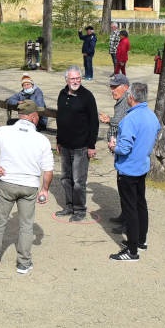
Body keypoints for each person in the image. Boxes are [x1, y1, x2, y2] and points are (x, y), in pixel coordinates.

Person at [0, 99, 55, 275]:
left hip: (7, 182)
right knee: (26, 226)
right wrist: (45, 189)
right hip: (30, 186)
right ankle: (23, 263)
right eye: (38, 115)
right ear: (33, 117)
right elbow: (48, 170)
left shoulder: (5, 131)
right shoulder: (42, 140)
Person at [108, 81, 161, 261]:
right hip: (142, 166)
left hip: (128, 169)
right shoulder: (152, 116)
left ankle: (132, 251)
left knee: (130, 209)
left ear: (131, 97)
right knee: (140, 204)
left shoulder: (130, 119)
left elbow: (124, 148)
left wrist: (113, 146)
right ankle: (140, 241)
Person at [54, 65, 99, 221]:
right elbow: (60, 119)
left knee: (78, 181)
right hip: (65, 145)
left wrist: (91, 146)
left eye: (78, 78)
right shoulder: (62, 94)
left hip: (81, 146)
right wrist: (59, 140)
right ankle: (69, 206)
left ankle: (79, 210)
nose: (75, 81)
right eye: (72, 78)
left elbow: (94, 122)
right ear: (66, 79)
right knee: (65, 178)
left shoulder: (87, 96)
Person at [99, 73, 130, 223]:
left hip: (124, 149)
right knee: (121, 183)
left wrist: (109, 120)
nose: (112, 90)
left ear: (125, 87)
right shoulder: (121, 100)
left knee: (125, 185)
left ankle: (127, 220)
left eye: (115, 87)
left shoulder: (127, 101)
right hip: (118, 148)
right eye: (111, 87)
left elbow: (122, 121)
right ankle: (124, 215)